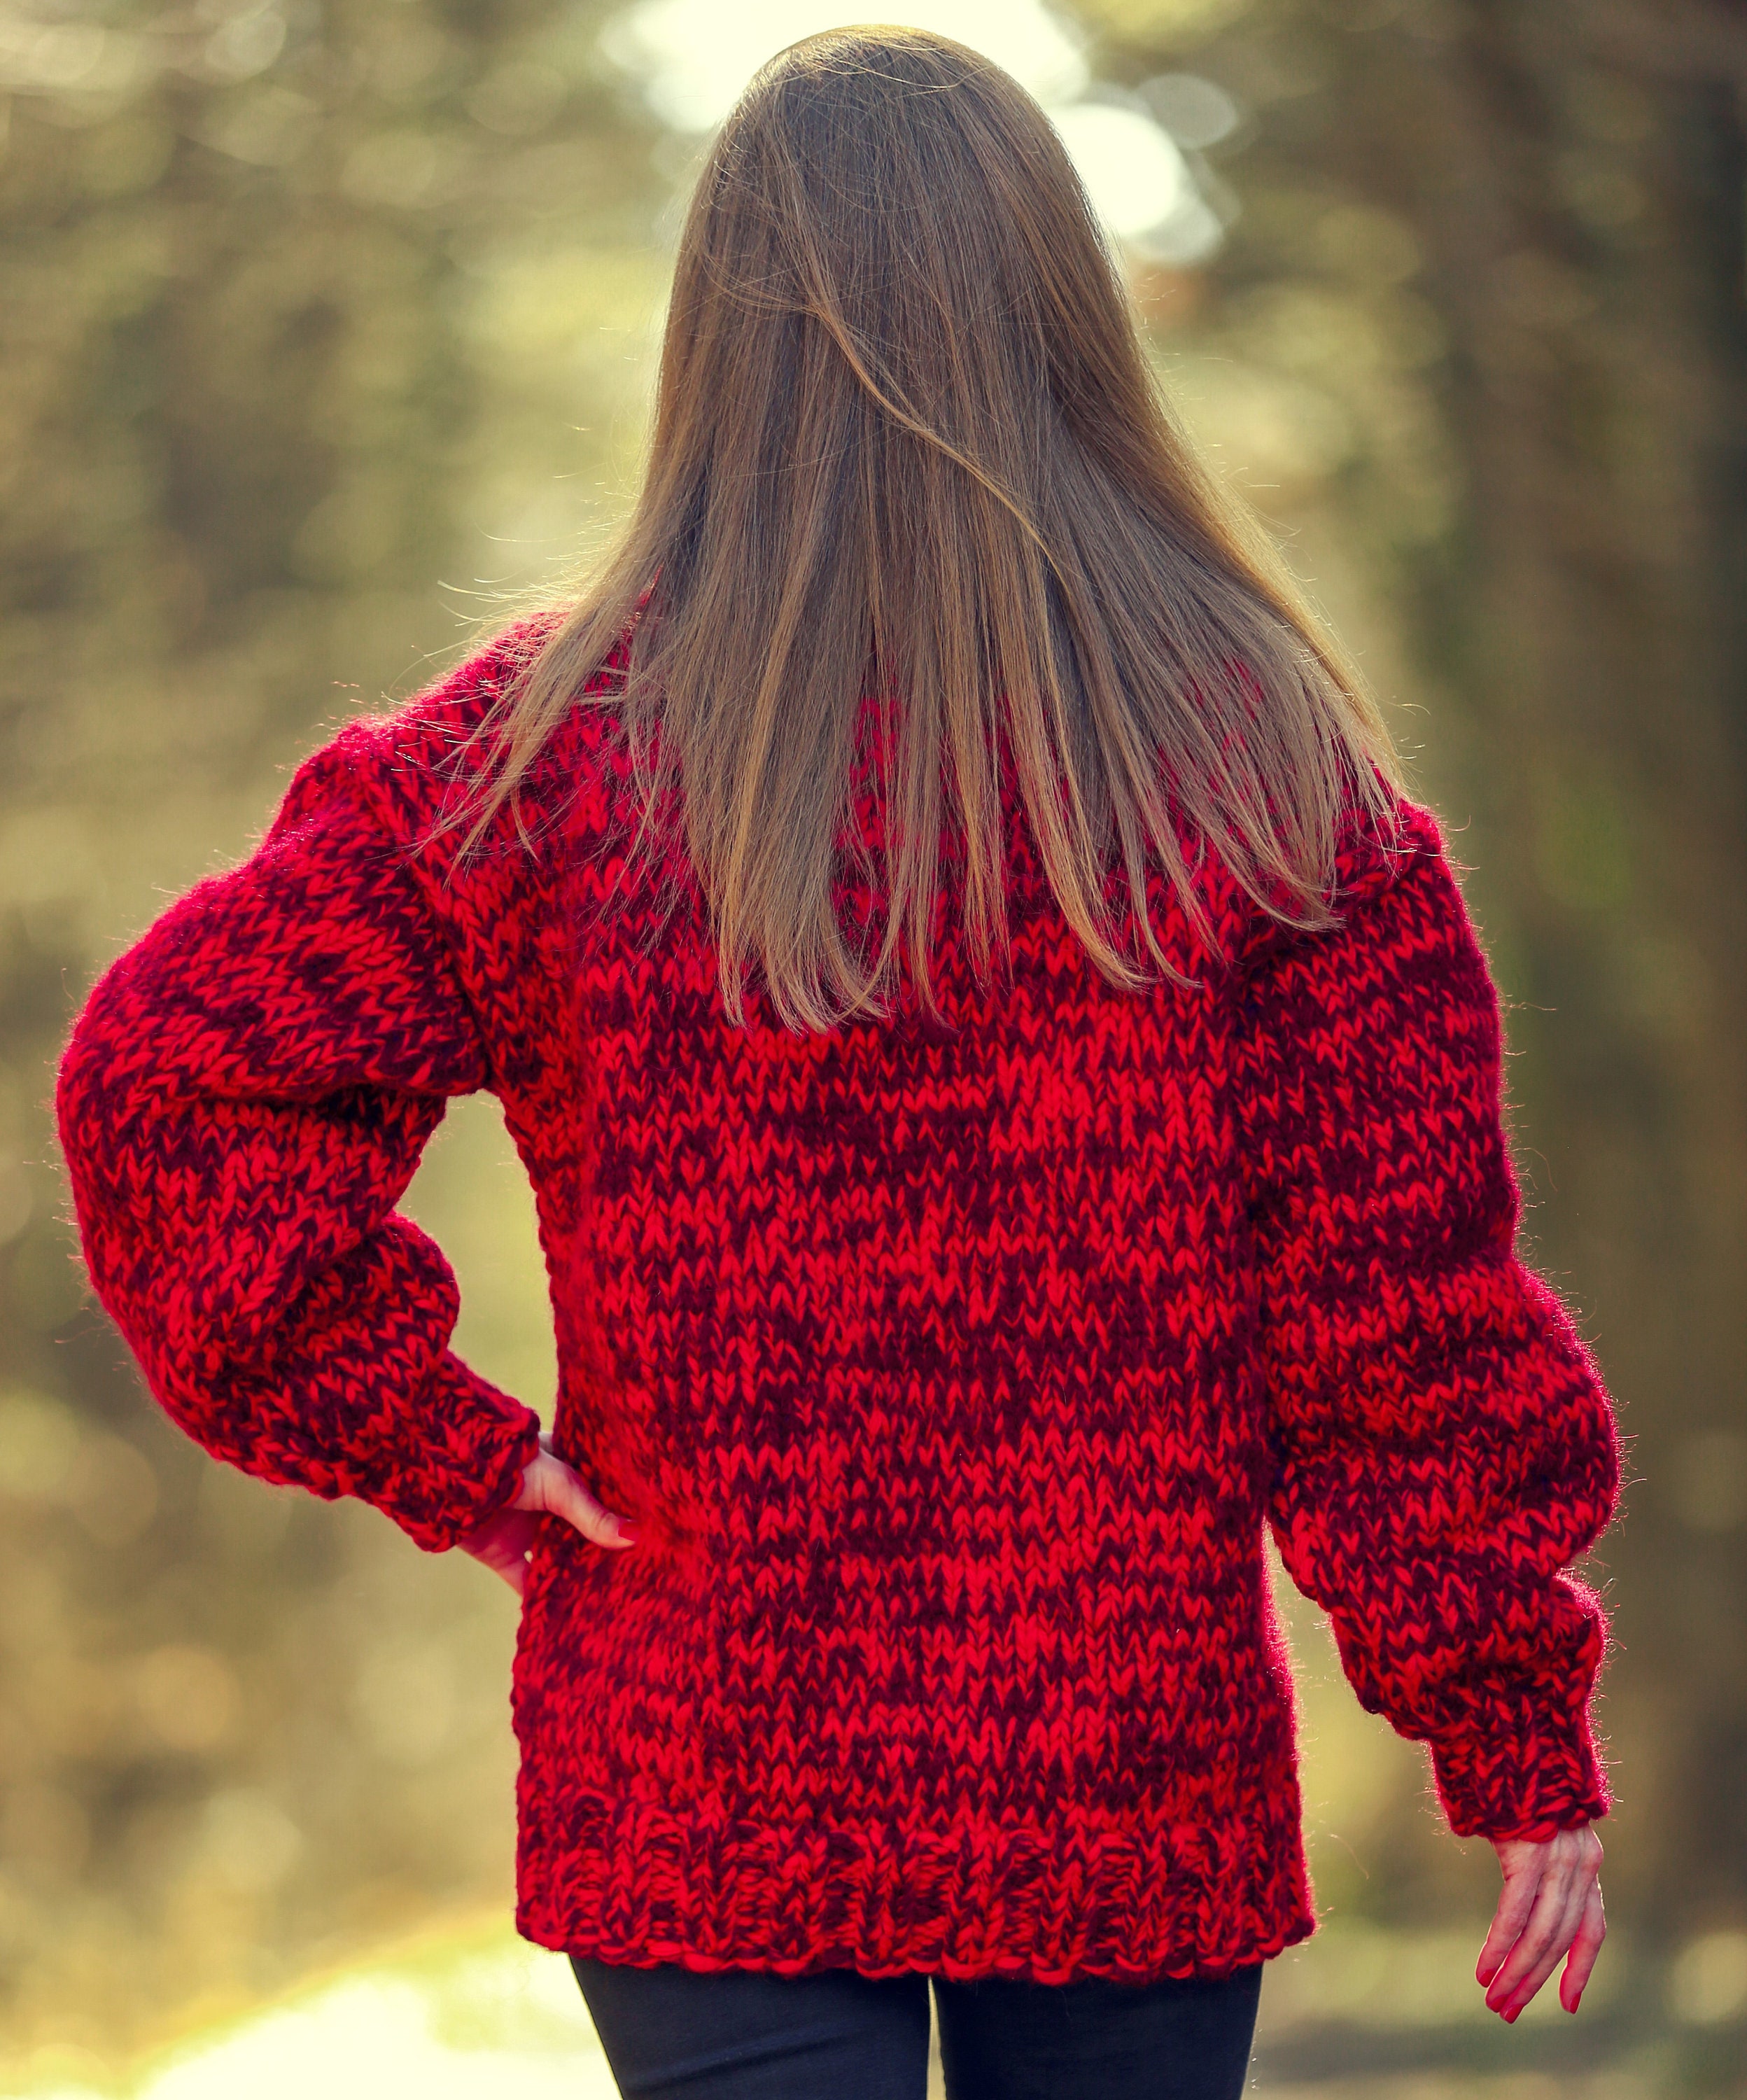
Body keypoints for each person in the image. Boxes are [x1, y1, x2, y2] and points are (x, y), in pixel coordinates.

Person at [55, 27, 1620, 2100]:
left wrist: (439, 1443)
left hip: (701, 1778)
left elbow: (166, 1083)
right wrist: (1502, 1710)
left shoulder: (532, 767)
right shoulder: (1271, 783)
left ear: (721, 337)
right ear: (1068, 319)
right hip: (1126, 1790)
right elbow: (1399, 1320)